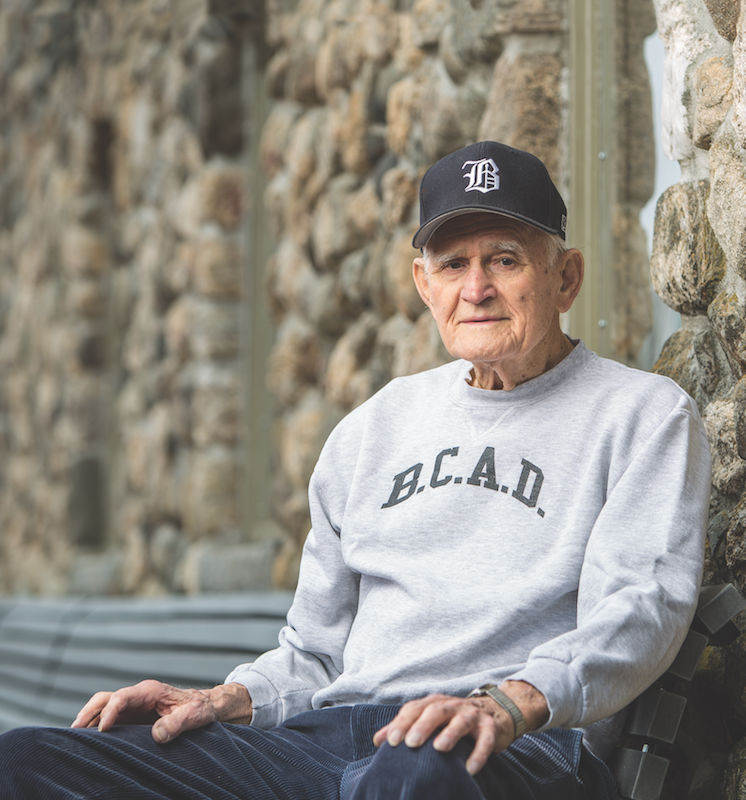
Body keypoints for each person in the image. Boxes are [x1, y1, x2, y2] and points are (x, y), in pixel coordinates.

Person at [0, 141, 710, 799]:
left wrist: (509, 701)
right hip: (327, 744)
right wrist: (220, 700)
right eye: (453, 265)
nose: (477, 288)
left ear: (566, 276)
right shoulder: (374, 428)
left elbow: (640, 608)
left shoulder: (641, 416)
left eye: (505, 259)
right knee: (30, 761)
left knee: (413, 771)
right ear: (424, 284)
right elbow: (313, 654)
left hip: (508, 746)